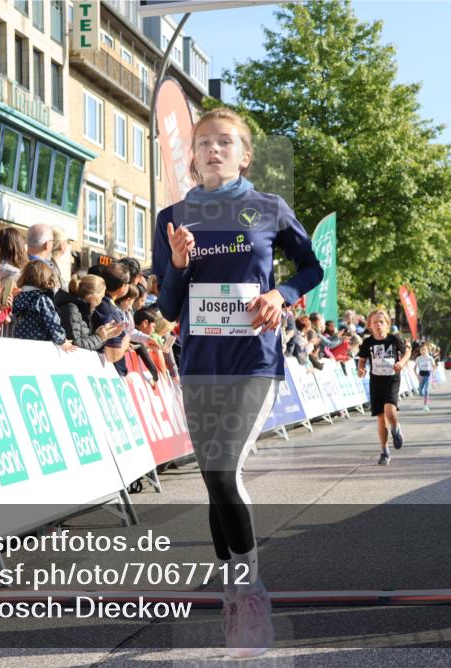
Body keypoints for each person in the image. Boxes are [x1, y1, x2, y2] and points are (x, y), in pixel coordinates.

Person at [153, 107, 323, 657]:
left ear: (245, 154)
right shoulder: (172, 216)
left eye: (226, 143)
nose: (213, 150)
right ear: (193, 154)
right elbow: (170, 305)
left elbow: (311, 269)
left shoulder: (268, 208)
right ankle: (234, 592)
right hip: (201, 361)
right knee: (213, 479)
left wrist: (281, 295)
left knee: (224, 468)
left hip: (254, 359)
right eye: (204, 143)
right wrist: (178, 265)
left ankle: (250, 594)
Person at [357, 309, 411, 465]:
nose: (378, 325)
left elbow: (406, 352)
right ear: (369, 325)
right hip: (376, 382)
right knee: (381, 418)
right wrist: (360, 368)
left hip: (392, 380)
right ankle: (384, 451)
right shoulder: (368, 342)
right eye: (375, 322)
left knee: (390, 410)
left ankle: (395, 428)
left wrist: (401, 362)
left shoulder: (394, 339)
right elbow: (362, 359)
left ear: (387, 324)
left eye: (381, 322)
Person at [11, 260, 75, 351]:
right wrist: (62, 340)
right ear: (46, 278)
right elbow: (52, 321)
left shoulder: (19, 296)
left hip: (20, 341)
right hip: (40, 344)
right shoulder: (42, 298)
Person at [55, 275, 122, 352]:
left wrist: (106, 335)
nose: (102, 300)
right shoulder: (71, 308)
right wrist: (100, 337)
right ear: (93, 296)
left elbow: (84, 339)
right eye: (101, 297)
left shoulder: (84, 308)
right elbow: (74, 344)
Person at [91, 263, 133, 375]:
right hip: (100, 372)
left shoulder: (96, 298)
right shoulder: (111, 312)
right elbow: (112, 355)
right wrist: (126, 340)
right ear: (123, 287)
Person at [416, 343, 435, 412]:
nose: (423, 351)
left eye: (424, 350)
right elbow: (414, 368)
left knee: (426, 390)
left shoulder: (430, 358)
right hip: (421, 376)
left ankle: (425, 406)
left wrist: (433, 376)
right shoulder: (418, 358)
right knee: (420, 392)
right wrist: (417, 376)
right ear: (420, 351)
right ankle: (425, 396)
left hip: (428, 375)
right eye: (421, 350)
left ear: (427, 350)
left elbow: (434, 367)